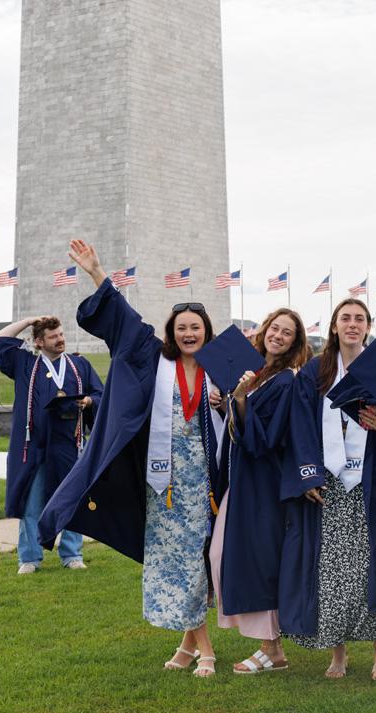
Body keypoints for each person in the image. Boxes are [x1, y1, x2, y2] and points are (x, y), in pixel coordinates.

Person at [39, 239, 227, 678]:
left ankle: (187, 648)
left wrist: (224, 402)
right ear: (171, 331)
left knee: (196, 557)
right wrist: (97, 273)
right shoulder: (151, 356)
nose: (188, 334)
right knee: (176, 557)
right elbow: (122, 319)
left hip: (206, 479)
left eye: (195, 327)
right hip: (163, 481)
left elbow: (244, 410)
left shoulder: (222, 365)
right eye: (181, 327)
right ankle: (205, 649)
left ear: (207, 331)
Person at [282, 298, 376, 682]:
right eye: (345, 318)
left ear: (368, 326)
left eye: (359, 319)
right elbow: (300, 424)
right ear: (334, 326)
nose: (352, 324)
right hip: (329, 479)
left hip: (370, 478)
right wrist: (309, 474)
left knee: (372, 564)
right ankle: (339, 651)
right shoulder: (317, 370)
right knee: (332, 565)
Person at [207, 308, 310, 674]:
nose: (278, 336)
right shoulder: (253, 373)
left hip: (265, 481)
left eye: (287, 333)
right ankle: (268, 643)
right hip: (241, 478)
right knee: (221, 555)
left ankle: (273, 648)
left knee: (262, 560)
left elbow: (265, 441)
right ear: (265, 330)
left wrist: (240, 401)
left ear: (295, 343)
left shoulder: (285, 382)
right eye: (275, 328)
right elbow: (238, 428)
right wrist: (228, 405)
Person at [0, 311, 104, 574]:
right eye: (53, 336)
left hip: (69, 443)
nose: (60, 340)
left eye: (61, 334)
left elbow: (100, 393)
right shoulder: (25, 364)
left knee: (73, 501)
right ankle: (29, 558)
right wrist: (30, 321)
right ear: (39, 342)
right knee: (32, 503)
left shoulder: (79, 365)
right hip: (33, 447)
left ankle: (72, 554)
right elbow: (0, 340)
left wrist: (88, 402)